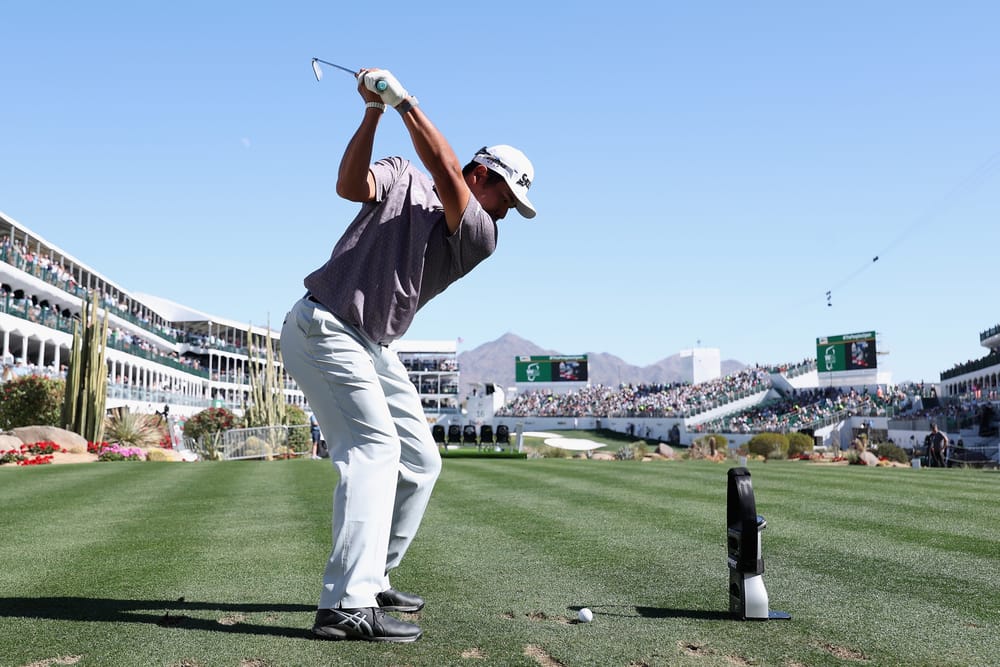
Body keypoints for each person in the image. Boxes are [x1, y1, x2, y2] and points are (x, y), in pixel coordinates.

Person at [280, 67, 536, 643]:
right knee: (374, 449)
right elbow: (349, 185)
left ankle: (374, 576)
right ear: (483, 174)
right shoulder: (400, 173)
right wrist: (373, 110)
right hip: (325, 324)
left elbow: (446, 175)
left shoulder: (479, 235)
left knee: (421, 462)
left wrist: (405, 103)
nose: (503, 213)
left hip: (371, 341)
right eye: (505, 197)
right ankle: (345, 606)